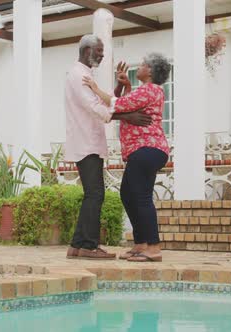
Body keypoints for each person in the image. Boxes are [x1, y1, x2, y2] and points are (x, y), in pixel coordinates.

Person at [64, 35, 153, 260]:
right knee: (95, 194)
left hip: (89, 141)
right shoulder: (78, 75)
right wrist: (129, 116)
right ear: (86, 51)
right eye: (99, 51)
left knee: (91, 194)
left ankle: (77, 245)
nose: (103, 55)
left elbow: (104, 102)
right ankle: (89, 246)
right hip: (86, 142)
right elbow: (96, 108)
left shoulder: (85, 75)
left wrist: (118, 87)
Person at [83, 53, 172, 262]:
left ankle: (153, 248)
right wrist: (125, 85)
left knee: (140, 197)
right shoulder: (148, 91)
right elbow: (129, 103)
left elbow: (118, 105)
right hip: (145, 151)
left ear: (149, 71)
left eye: (141, 64)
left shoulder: (150, 89)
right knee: (128, 194)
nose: (138, 66)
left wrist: (95, 89)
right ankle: (141, 243)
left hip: (147, 149)